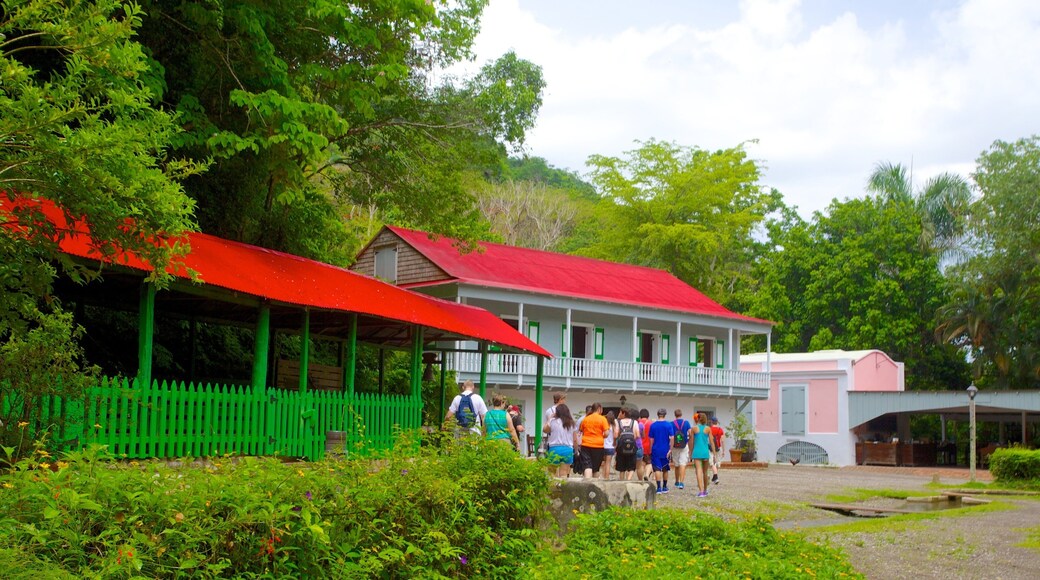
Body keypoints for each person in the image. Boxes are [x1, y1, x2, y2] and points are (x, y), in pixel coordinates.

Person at [543, 403, 578, 477]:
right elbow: (575, 440)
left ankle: (553, 488)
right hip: (568, 450)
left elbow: (545, 430)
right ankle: (562, 488)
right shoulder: (572, 423)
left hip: (554, 449)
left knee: (552, 473)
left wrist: (549, 418)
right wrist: (576, 450)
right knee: (564, 473)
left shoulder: (553, 421)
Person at [577, 403, 610, 479]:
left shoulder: (586, 419)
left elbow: (581, 430)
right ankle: (595, 487)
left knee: (587, 466)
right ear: (599, 409)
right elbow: (607, 433)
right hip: (598, 445)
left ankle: (587, 484)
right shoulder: (602, 419)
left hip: (586, 444)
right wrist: (602, 436)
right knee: (596, 468)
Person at [647, 408, 675, 494]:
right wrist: (671, 449)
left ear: (657, 414)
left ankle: (658, 487)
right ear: (665, 414)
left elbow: (651, 439)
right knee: (665, 468)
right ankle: (665, 487)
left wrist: (651, 448)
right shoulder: (668, 425)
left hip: (656, 449)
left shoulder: (653, 425)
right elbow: (672, 438)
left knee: (657, 469)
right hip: (665, 449)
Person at [689, 412, 715, 497]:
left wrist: (690, 452)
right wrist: (714, 454)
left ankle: (701, 491)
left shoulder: (694, 429)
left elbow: (691, 441)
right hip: (705, 452)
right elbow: (711, 442)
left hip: (697, 452)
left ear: (698, 419)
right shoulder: (708, 429)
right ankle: (705, 490)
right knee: (705, 471)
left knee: (698, 471)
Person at [614, 407, 640, 481]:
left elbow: (615, 435)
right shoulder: (634, 422)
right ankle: (628, 480)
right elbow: (638, 435)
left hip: (621, 447)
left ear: (623, 413)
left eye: (620, 412)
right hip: (632, 447)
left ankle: (622, 481)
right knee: (632, 466)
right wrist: (631, 439)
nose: (619, 414)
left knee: (622, 468)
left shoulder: (618, 422)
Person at [669, 409, 692, 490]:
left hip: (675, 446)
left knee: (676, 465)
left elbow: (670, 435)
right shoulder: (686, 422)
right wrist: (688, 441)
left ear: (675, 415)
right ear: (681, 414)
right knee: (683, 464)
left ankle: (676, 481)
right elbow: (690, 433)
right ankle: (681, 483)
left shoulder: (671, 423)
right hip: (684, 445)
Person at [601, 410, 618, 480]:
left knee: (603, 463)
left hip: (603, 446)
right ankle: (606, 478)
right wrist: (614, 443)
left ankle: (602, 476)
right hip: (610, 447)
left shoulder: (604, 425)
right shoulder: (613, 426)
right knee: (608, 463)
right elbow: (615, 436)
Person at [637, 408, 653, 481]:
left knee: (641, 463)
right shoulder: (651, 423)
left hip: (639, 446)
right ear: (648, 416)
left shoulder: (637, 423)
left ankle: (641, 479)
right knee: (649, 463)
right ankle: (647, 474)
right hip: (648, 446)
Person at [709, 416, 725, 484]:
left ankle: (715, 476)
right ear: (717, 422)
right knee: (717, 462)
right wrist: (724, 450)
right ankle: (715, 477)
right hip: (718, 448)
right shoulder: (720, 430)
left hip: (710, 448)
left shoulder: (709, 429)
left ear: (711, 422)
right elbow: (722, 441)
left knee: (711, 463)